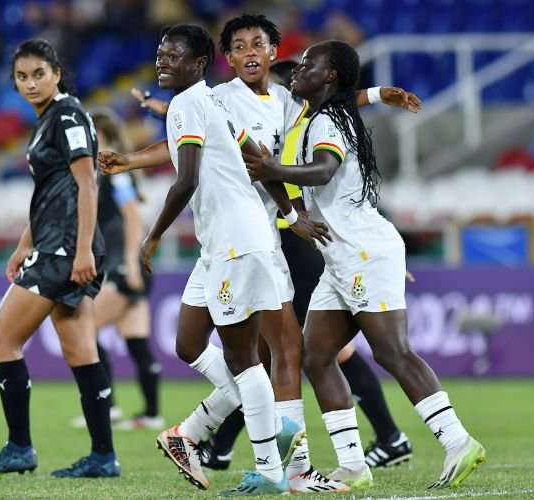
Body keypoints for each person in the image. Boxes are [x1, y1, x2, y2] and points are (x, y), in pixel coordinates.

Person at [128, 14, 420, 488]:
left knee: (280, 349)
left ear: (271, 51)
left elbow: (322, 107)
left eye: (257, 44)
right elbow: (193, 145)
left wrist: (377, 94)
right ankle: (208, 431)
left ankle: (288, 462)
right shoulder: (215, 98)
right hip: (227, 237)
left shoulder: (286, 100)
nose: (248, 52)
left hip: (259, 235)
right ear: (223, 58)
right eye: (239, 45)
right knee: (197, 346)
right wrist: (131, 160)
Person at [101, 23, 334, 496]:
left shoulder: (190, 103)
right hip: (221, 245)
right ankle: (245, 423)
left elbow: (185, 180)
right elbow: (257, 158)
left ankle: (270, 470)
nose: (162, 61)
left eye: (172, 56)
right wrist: (290, 214)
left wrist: (150, 238)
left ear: (199, 63)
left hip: (237, 242)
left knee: (245, 358)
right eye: (160, 53)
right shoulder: (215, 103)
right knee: (188, 343)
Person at [244, 39, 486, 490]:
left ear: (328, 76)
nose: (298, 68)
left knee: (393, 352)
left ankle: (458, 441)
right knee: (316, 357)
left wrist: (271, 169)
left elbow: (321, 171)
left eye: (310, 64)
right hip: (340, 255)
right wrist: (376, 94)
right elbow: (348, 96)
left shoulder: (327, 122)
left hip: (361, 252)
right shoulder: (313, 112)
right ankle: (354, 465)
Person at [0, 39, 119, 479]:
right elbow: (55, 191)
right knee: (80, 352)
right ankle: (103, 456)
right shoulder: (50, 119)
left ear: (56, 72)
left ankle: (19, 448)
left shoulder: (67, 114)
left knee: (2, 341)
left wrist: (83, 248)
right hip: (56, 244)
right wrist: (22, 244)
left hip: (64, 249)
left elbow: (87, 183)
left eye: (38, 74)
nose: (30, 83)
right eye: (21, 76)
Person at [71, 108, 163, 431]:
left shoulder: (115, 172)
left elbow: (134, 217)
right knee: (136, 340)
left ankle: (106, 406)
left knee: (84, 326)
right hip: (126, 266)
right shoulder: (103, 172)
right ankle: (152, 414)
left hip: (126, 267)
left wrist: (130, 264)